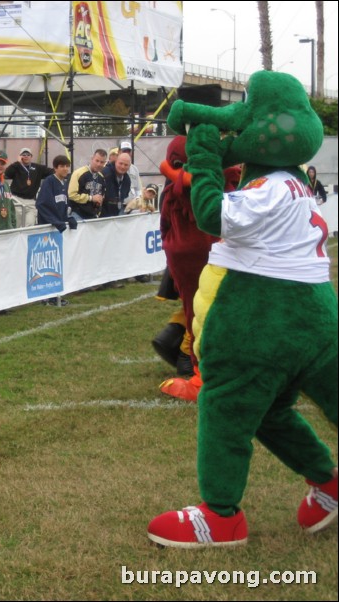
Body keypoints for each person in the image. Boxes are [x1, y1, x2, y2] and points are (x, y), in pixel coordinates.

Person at [148, 70, 338, 548]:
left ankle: (220, 516)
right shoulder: (295, 180)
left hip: (269, 314)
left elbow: (215, 216)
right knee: (272, 410)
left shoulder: (271, 185)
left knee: (227, 403)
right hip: (317, 314)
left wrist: (208, 158)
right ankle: (328, 480)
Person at [4, 148, 53, 227]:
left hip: (31, 202)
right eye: (23, 155)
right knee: (16, 224)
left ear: (31, 156)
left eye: (28, 155)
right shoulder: (16, 166)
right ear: (20, 156)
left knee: (30, 224)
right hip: (17, 200)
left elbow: (52, 172)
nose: (26, 156)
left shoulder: (38, 168)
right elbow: (7, 173)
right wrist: (18, 162)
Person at [36, 154, 77, 232]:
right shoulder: (49, 181)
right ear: (55, 168)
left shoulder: (64, 183)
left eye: (67, 166)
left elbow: (64, 205)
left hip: (59, 227)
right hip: (48, 227)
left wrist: (68, 218)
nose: (65, 169)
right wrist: (54, 221)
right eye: (62, 166)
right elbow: (41, 205)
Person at [68, 149, 106, 220]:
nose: (98, 164)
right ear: (92, 159)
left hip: (93, 216)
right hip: (77, 214)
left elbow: (101, 196)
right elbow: (71, 195)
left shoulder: (101, 177)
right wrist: (91, 198)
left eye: (102, 162)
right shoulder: (78, 173)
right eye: (97, 161)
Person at [100, 151, 132, 217]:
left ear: (129, 166)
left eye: (126, 165)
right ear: (116, 162)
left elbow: (125, 197)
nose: (123, 167)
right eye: (121, 163)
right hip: (102, 216)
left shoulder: (127, 179)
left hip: (117, 215)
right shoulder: (104, 174)